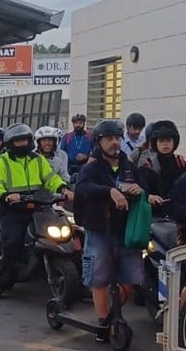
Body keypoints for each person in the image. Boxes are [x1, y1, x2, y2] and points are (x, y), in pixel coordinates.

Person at [74, 119, 152, 342]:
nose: (114, 143)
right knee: (99, 278)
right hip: (100, 230)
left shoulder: (129, 166)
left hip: (127, 230)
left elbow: (143, 186)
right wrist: (109, 190)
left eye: (117, 138)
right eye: (109, 139)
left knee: (130, 279)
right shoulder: (92, 167)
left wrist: (140, 189)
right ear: (99, 142)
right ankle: (103, 322)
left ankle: (111, 316)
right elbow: (83, 189)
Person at [0, 123, 71, 300]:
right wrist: (6, 197)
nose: (22, 144)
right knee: (13, 243)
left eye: (25, 140)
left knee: (64, 231)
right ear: (10, 143)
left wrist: (63, 189)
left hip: (40, 208)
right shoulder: (1, 162)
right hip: (13, 211)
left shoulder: (38, 159)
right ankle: (2, 283)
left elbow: (51, 178)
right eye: (18, 141)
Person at [139, 120, 185, 219]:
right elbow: (141, 188)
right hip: (154, 217)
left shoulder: (181, 163)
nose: (165, 144)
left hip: (178, 216)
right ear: (155, 143)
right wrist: (149, 197)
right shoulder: (147, 165)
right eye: (161, 141)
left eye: (168, 140)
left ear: (174, 141)